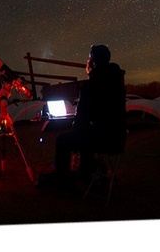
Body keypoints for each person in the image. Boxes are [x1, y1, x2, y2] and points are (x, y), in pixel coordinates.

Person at [37, 44, 126, 190]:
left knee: (64, 140)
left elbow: (83, 119)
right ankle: (85, 174)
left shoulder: (92, 85)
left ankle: (62, 179)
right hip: (117, 138)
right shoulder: (117, 82)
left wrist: (75, 123)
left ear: (92, 63)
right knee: (86, 136)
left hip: (102, 139)